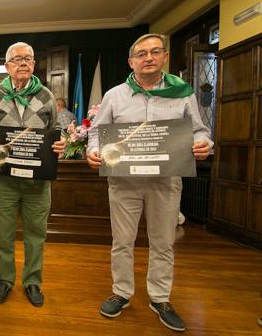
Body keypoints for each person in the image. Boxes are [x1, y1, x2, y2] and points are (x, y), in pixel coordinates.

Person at [86, 33, 212, 332]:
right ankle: (121, 292)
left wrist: (203, 143)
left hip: (166, 180)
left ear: (164, 57)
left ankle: (160, 298)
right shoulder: (115, 95)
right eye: (142, 54)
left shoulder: (182, 93)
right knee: (122, 241)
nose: (149, 58)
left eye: (155, 52)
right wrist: (93, 150)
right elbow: (97, 132)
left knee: (163, 241)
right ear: (132, 61)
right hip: (123, 182)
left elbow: (200, 130)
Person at [0, 42, 61, 307]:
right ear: (7, 66)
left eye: (28, 58)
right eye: (17, 59)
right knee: (2, 234)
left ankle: (33, 281)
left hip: (37, 182)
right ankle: (4, 279)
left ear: (34, 63)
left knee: (36, 234)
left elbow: (56, 128)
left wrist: (60, 143)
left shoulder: (47, 94)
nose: (23, 63)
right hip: (3, 179)